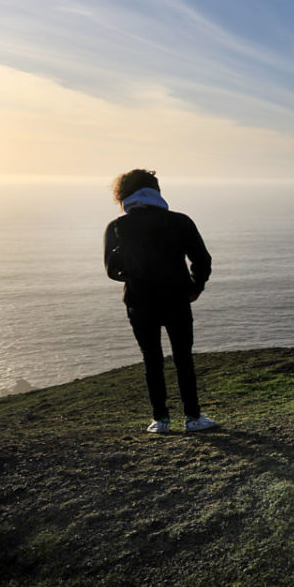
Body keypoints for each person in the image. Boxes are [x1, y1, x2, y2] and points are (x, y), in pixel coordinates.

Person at [104, 169, 216, 433]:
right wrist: (195, 286)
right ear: (156, 191)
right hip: (177, 298)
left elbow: (111, 270)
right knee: (183, 358)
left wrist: (135, 274)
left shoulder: (117, 226)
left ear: (123, 194)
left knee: (151, 359)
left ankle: (160, 420)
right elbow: (202, 260)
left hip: (139, 302)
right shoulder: (180, 222)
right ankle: (193, 417)